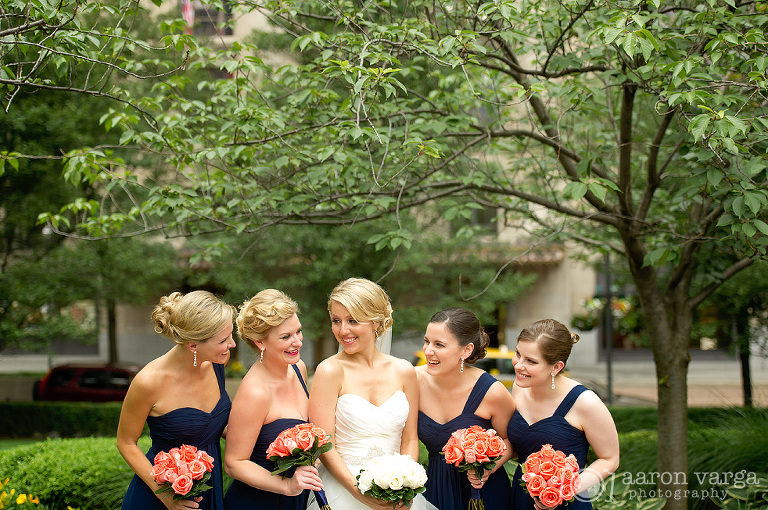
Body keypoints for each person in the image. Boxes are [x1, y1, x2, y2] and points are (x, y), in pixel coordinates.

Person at [306, 277, 432, 510]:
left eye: (353, 320)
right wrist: (358, 492)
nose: (343, 330)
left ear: (376, 322)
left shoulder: (404, 371)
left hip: (396, 491)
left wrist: (405, 485)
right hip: (343, 488)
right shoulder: (330, 371)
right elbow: (325, 444)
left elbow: (410, 438)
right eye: (336, 320)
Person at [118, 290, 236, 510]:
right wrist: (165, 497)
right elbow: (126, 443)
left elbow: (211, 426)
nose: (232, 344)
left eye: (231, 335)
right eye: (223, 340)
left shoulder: (217, 361)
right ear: (193, 345)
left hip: (208, 488)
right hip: (161, 493)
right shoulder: (148, 382)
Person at [223, 289, 323, 510]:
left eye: (298, 331)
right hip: (260, 501)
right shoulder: (255, 392)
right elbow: (234, 463)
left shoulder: (298, 369)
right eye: (286, 337)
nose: (297, 342)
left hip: (297, 498)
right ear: (260, 342)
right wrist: (286, 485)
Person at [507, 319, 620, 510]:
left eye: (531, 361)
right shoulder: (519, 388)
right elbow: (521, 442)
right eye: (518, 353)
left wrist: (565, 490)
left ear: (556, 367)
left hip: (567, 502)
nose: (518, 365)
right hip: (521, 497)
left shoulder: (586, 402)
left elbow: (610, 459)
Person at [416, 307, 515, 510]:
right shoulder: (413, 380)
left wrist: (487, 469)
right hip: (436, 489)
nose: (428, 351)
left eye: (439, 344)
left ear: (466, 350)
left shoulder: (492, 392)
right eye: (427, 341)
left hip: (482, 493)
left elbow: (512, 440)